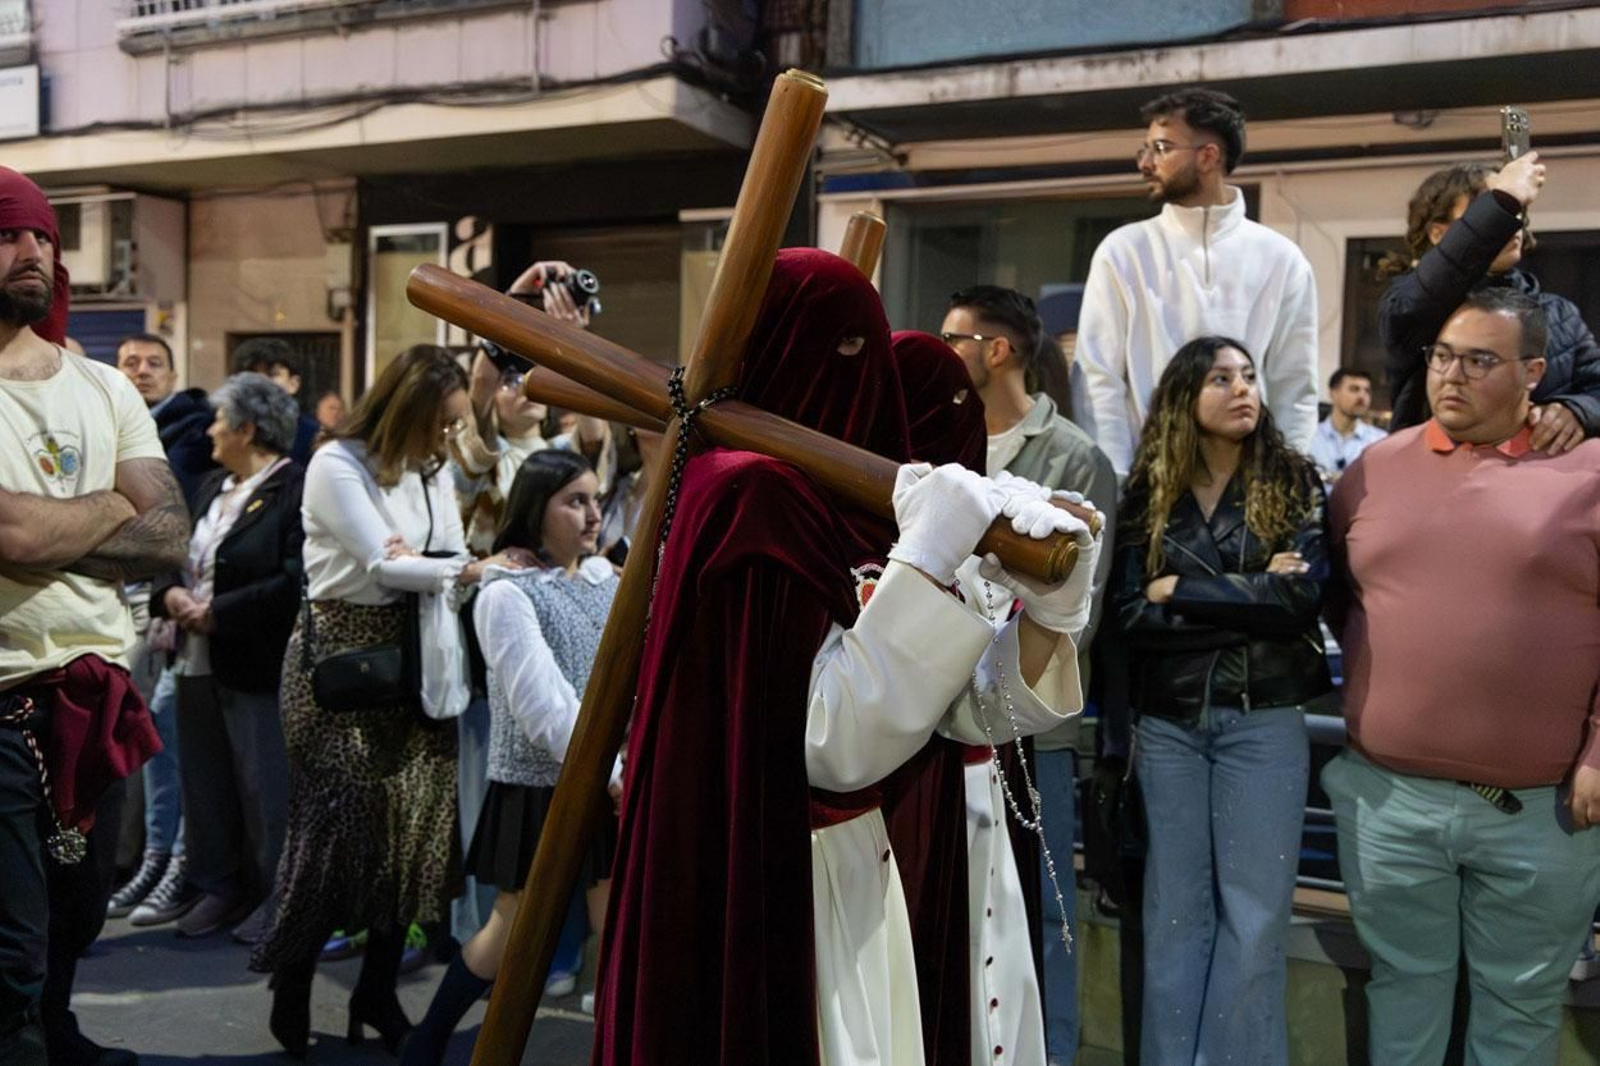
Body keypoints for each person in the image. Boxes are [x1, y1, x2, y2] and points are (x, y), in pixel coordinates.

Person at [591, 249, 1096, 1066]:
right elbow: (828, 740)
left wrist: (1048, 611)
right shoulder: (753, 495)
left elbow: (963, 711)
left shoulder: (831, 502)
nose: (861, 382)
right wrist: (927, 560)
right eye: (841, 348)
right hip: (781, 868)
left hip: (866, 859)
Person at [1326, 288, 1600, 1066]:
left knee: (1518, 1014)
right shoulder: (1375, 468)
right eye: (1443, 356)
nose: (1452, 375)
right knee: (1401, 996)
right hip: (1387, 799)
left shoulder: (1588, 471)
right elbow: (1340, 594)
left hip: (1542, 812)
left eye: (1480, 360)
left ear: (1534, 373)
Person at [251, 345, 528, 1058]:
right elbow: (385, 561)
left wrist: (431, 566)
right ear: (409, 410)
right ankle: (294, 973)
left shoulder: (428, 469)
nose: (448, 436)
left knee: (414, 838)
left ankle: (376, 990)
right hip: (340, 668)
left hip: (419, 665)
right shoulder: (337, 463)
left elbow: (435, 557)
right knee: (336, 836)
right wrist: (453, 569)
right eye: (442, 421)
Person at [0, 167, 186, 1066]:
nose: (31, 250)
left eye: (42, 235)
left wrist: (45, 533)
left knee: (78, 915)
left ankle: (57, 1034)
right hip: (2, 698)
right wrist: (112, 507)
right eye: (8, 234)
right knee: (12, 944)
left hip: (97, 692)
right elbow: (8, 530)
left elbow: (170, 534)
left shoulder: (105, 388)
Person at [1110, 335, 1331, 1066]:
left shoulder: (1294, 478)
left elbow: (1298, 602)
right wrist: (1251, 594)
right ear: (1184, 397)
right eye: (1220, 378)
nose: (1242, 389)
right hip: (1168, 724)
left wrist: (1179, 589)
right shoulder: (1147, 491)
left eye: (1249, 376)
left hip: (1262, 719)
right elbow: (1128, 616)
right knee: (1173, 915)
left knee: (1255, 917)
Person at [941, 286, 1117, 1063]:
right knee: (967, 904)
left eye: (953, 338)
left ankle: (1053, 1051)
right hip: (943, 709)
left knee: (1045, 910)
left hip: (1030, 720)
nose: (942, 351)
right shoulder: (939, 438)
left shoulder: (1073, 455)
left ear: (997, 349)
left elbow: (1082, 603)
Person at [402, 450, 617, 1065]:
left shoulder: (605, 580)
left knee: (619, 921)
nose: (593, 515)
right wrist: (611, 770)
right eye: (574, 501)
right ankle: (428, 1041)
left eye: (596, 500)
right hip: (537, 783)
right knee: (511, 929)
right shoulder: (506, 594)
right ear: (535, 509)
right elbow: (541, 705)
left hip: (601, 777)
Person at [1073, 88, 1319, 478]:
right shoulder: (1123, 251)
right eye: (1145, 149)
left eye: (1161, 148)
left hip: (1249, 485)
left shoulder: (1282, 258)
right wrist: (1117, 484)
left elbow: (1295, 387)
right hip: (1147, 482)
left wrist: (1282, 482)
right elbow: (1098, 380)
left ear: (1208, 156)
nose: (1145, 163)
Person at [148, 373, 303, 944]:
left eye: (219, 420)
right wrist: (170, 593)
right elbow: (174, 550)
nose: (210, 430)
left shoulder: (294, 489)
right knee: (205, 781)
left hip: (253, 661)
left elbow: (294, 581)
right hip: (194, 657)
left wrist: (220, 612)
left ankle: (277, 897)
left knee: (264, 787)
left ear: (248, 429)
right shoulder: (213, 485)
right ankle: (218, 886)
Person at [106, 332, 218, 927]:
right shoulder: (105, 425)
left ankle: (159, 860)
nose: (142, 372)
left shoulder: (191, 438)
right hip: (110, 596)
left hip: (157, 608)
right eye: (131, 362)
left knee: (155, 738)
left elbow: (178, 526)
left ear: (173, 375)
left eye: (154, 363)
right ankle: (138, 858)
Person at [1379, 154, 1600, 453]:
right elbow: (1427, 289)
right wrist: (1502, 200)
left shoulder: (1559, 313)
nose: (1511, 223)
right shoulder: (1414, 305)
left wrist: (1579, 410)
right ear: (1439, 234)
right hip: (1434, 471)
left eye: (1516, 210)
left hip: (1533, 476)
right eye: (1487, 212)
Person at [451, 261, 613, 554]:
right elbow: (482, 381)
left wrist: (574, 341)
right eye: (509, 381)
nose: (523, 386)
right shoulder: (487, 457)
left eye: (530, 378)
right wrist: (513, 301)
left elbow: (594, 435)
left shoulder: (562, 453)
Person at [233, 337, 320, 464]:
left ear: (293, 384)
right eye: (252, 376)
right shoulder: (226, 433)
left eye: (272, 375)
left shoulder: (314, 437)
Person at [1307, 368, 1385, 483]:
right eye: (1354, 389)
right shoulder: (1310, 437)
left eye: (1367, 391)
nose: (1362, 396)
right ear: (1333, 394)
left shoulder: (1380, 441)